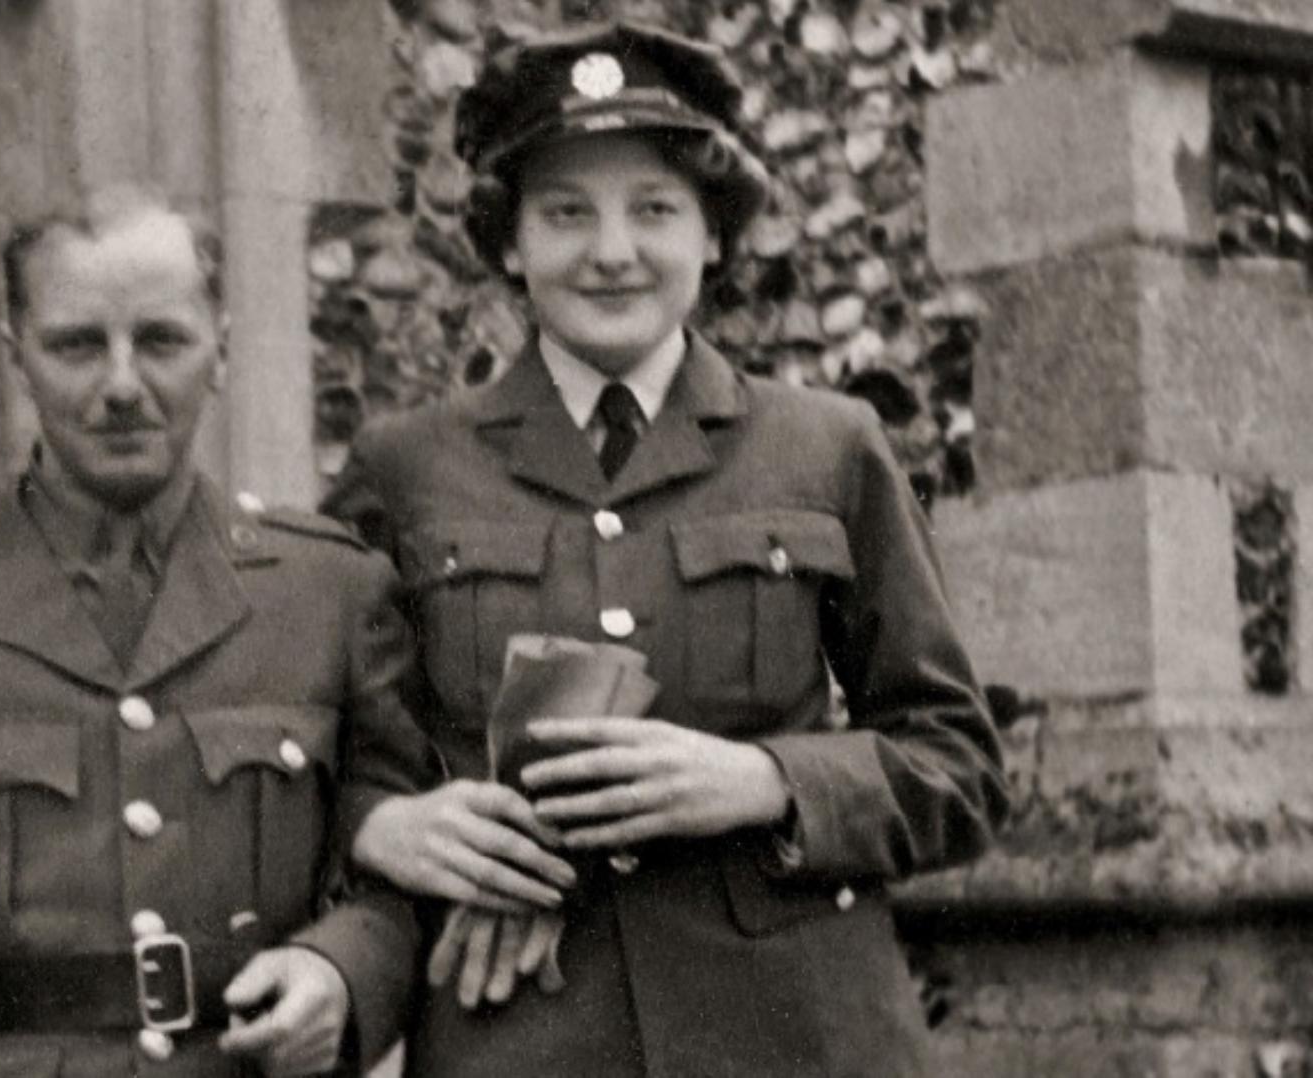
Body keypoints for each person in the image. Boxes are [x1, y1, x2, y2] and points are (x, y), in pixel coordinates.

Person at [325, 22, 1011, 1078]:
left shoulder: (828, 445)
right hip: (521, 1036)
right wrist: (386, 830)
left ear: (717, 236)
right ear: (508, 243)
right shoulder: (405, 466)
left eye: (655, 210)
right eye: (565, 213)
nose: (612, 252)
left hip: (796, 1038)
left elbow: (958, 765)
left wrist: (764, 780)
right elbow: (329, 758)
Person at [0, 185, 437, 1077]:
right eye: (77, 345)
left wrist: (342, 971)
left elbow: (406, 869)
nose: (122, 385)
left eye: (161, 341)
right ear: (18, 357)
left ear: (221, 351)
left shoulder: (328, 594)